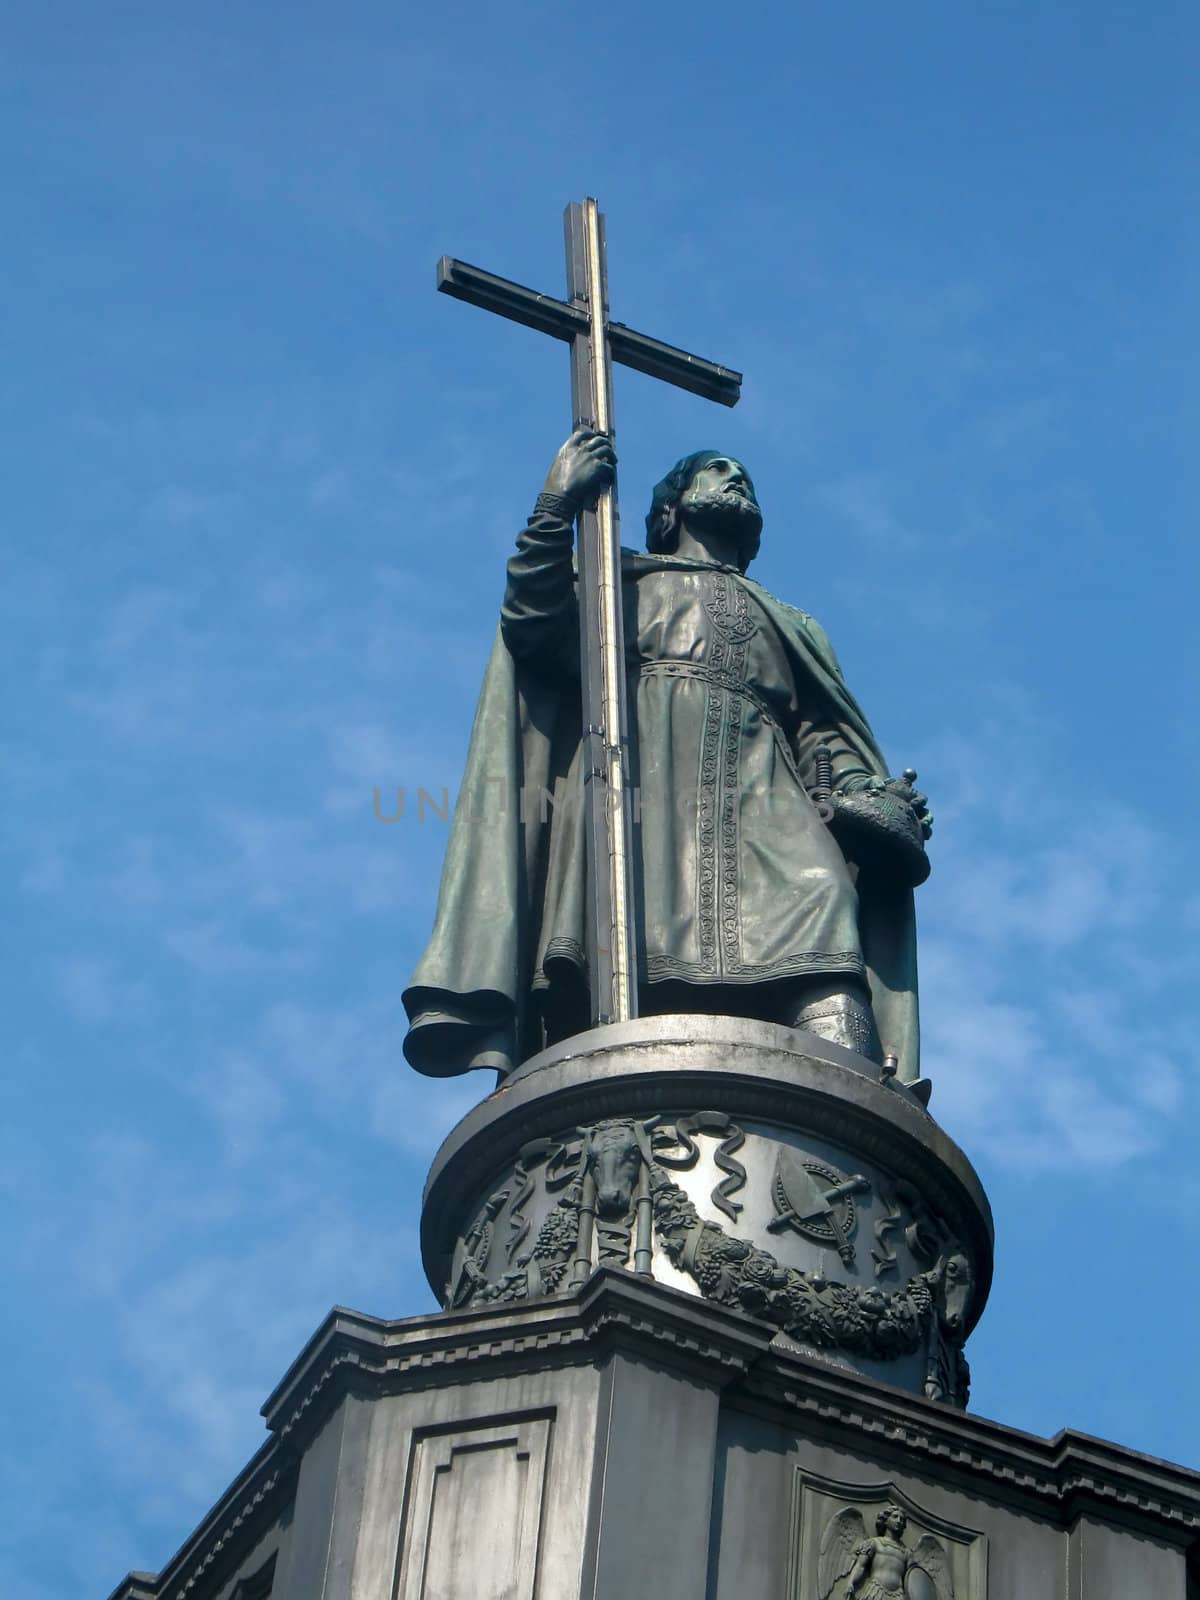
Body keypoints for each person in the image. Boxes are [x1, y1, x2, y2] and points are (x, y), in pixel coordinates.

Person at [403, 431, 928, 1080]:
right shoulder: (617, 578)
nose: (736, 479)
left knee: (822, 896)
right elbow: (535, 621)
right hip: (645, 786)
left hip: (767, 793)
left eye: (745, 476)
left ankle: (852, 1090)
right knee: (627, 926)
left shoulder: (792, 622)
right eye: (716, 471)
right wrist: (555, 506)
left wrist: (862, 790)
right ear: (671, 509)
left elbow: (822, 731)